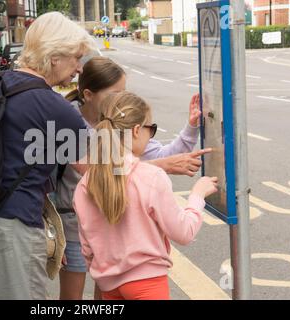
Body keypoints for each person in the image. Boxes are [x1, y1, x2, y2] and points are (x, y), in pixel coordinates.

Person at [0, 12, 94, 300]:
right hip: (12, 230)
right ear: (55, 56)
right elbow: (95, 169)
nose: (79, 68)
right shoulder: (57, 108)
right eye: (76, 57)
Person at [57, 56, 210, 300]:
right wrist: (197, 196)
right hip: (145, 281)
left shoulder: (85, 186)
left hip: (108, 276)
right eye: (115, 93)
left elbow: (88, 246)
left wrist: (190, 129)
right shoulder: (69, 128)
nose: (120, 99)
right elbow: (183, 232)